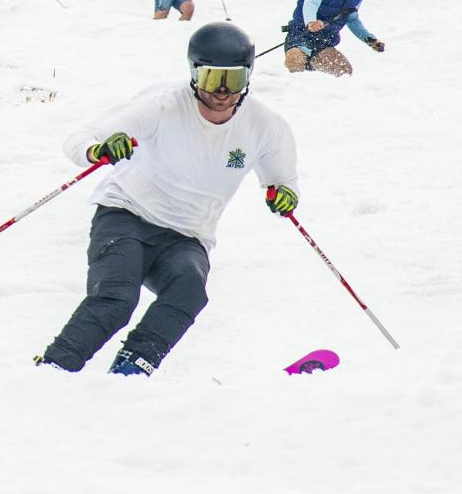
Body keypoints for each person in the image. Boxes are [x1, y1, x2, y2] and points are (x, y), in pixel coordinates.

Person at [34, 22, 299, 376]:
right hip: (127, 214)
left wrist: (284, 197)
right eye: (211, 79)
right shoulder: (164, 105)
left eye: (233, 80)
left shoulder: (266, 126)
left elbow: (285, 183)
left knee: (190, 289)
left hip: (187, 236)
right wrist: (99, 149)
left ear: (248, 76)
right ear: (194, 74)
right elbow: (80, 139)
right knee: (117, 299)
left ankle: (131, 370)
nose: (222, 91)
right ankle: (54, 369)